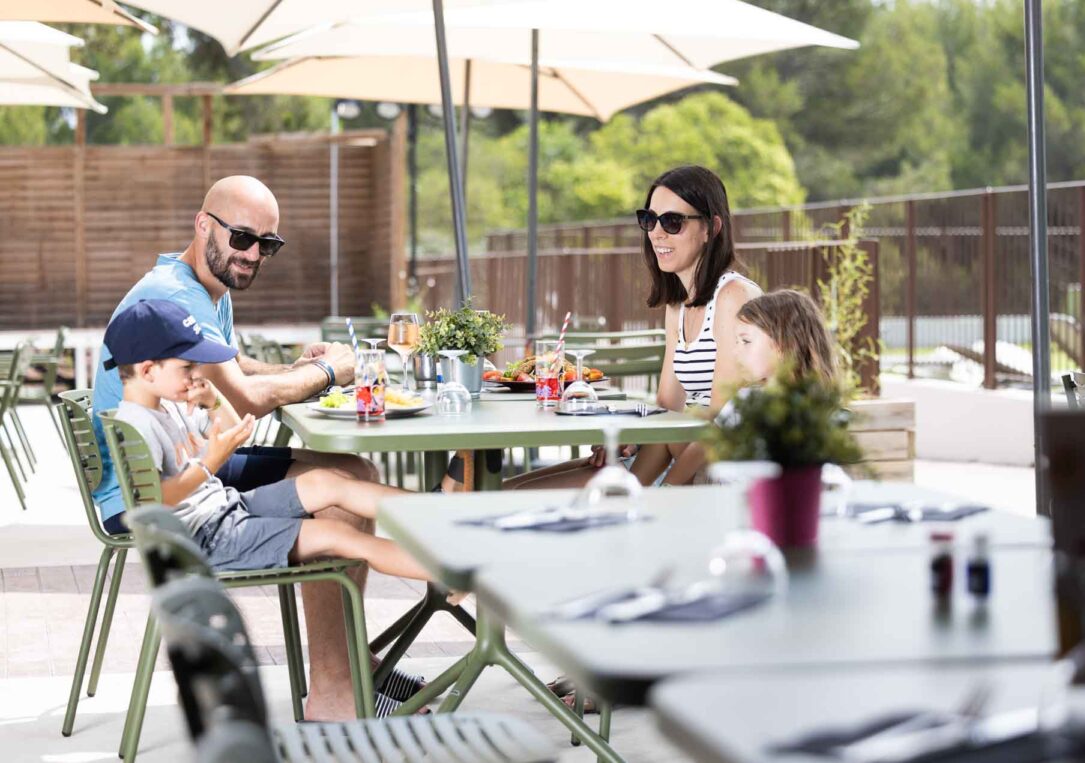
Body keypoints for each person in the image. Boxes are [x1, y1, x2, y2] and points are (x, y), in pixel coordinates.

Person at [90, 176, 420, 719]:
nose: (252, 254)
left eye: (267, 244)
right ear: (204, 225)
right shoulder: (174, 295)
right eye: (242, 237)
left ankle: (353, 660)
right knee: (336, 498)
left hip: (183, 464)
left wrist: (294, 369)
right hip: (150, 490)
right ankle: (334, 692)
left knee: (352, 469)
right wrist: (326, 372)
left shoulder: (202, 286)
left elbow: (232, 367)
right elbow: (243, 400)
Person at [104, 299, 443, 719]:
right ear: (148, 370)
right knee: (338, 536)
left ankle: (437, 514)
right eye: (187, 367)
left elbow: (235, 432)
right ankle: (453, 571)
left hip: (227, 509)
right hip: (207, 539)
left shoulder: (167, 404)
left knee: (328, 482)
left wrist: (212, 400)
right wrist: (209, 462)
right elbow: (155, 501)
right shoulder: (135, 425)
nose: (196, 375)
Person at [468, 165, 761, 493]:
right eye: (649, 220)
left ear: (711, 228)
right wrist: (631, 438)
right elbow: (668, 403)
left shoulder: (733, 296)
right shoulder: (678, 305)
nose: (656, 233)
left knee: (518, 495)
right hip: (671, 446)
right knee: (506, 489)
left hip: (706, 466)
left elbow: (718, 410)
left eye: (672, 222)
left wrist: (642, 441)